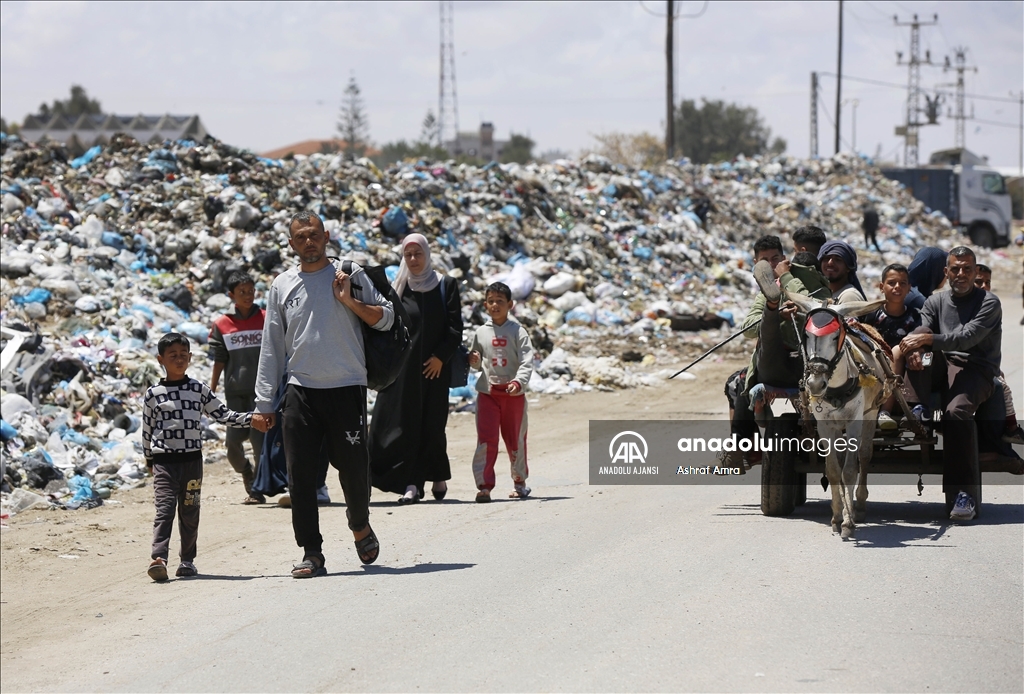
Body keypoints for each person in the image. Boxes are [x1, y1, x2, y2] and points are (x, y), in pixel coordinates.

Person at [252, 211, 394, 577]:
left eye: (314, 234)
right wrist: (264, 403)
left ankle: (359, 524)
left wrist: (349, 301)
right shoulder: (282, 285)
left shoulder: (350, 273)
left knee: (353, 468)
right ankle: (311, 552)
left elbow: (388, 318)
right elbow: (271, 348)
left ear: (326, 235)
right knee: (299, 474)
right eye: (300, 237)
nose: (308, 242)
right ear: (291, 244)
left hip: (346, 386)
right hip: (301, 390)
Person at [143, 333, 258, 581]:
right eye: (173, 355)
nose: (179, 359)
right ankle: (159, 558)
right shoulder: (154, 394)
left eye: (183, 355)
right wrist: (148, 458)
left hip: (192, 462)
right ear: (160, 359)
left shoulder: (198, 390)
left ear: (191, 358)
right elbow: (147, 428)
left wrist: (252, 418)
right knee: (164, 510)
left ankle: (187, 561)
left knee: (190, 510)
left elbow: (224, 415)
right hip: (164, 462)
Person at [899, 246, 1002, 521]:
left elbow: (966, 338)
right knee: (921, 341)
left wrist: (925, 341)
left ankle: (963, 495)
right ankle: (916, 411)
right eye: (955, 268)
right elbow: (925, 330)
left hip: (976, 370)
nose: (961, 274)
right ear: (946, 272)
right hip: (942, 364)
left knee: (956, 412)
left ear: (975, 271)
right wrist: (916, 349)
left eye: (967, 268)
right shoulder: (935, 302)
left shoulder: (989, 303)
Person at [369, 233, 463, 505]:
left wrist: (440, 358)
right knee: (403, 425)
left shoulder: (445, 285)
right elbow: (387, 326)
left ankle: (437, 475)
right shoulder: (398, 288)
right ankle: (410, 483)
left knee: (433, 425)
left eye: (417, 254)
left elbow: (455, 329)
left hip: (435, 371)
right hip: (404, 371)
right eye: (408, 254)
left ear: (427, 254)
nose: (413, 259)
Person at [468, 282, 534, 503]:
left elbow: (527, 362)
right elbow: (477, 363)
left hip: (513, 396)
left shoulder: (518, 331)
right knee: (486, 440)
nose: (495, 305)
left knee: (515, 439)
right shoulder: (481, 332)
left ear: (510, 305)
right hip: (488, 394)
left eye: (500, 301)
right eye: (491, 301)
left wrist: (518, 382)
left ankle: (519, 481)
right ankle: (484, 486)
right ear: (485, 304)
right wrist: (474, 362)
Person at [208, 271, 267, 505]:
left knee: (259, 443)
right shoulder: (222, 324)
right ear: (231, 295)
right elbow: (219, 359)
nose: (248, 296)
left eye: (251, 291)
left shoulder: (265, 318)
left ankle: (256, 490)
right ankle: (246, 472)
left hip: (261, 393)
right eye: (242, 292)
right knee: (232, 445)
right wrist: (211, 390)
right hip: (234, 393)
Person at [860, 264, 921, 430]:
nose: (897, 287)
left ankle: (884, 412)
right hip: (873, 369)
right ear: (881, 287)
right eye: (892, 283)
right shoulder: (871, 314)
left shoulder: (915, 316)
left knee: (898, 351)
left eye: (903, 283)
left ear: (909, 288)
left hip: (904, 374)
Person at [973, 264, 1024, 445]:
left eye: (987, 282)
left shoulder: (989, 305)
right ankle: (1011, 429)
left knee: (1002, 385)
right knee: (1001, 388)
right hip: (970, 365)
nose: (984, 286)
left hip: (985, 364)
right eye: (979, 281)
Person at [904, 246, 947, 311]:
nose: (947, 276)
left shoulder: (911, 291)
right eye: (945, 270)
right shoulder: (917, 300)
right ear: (936, 271)